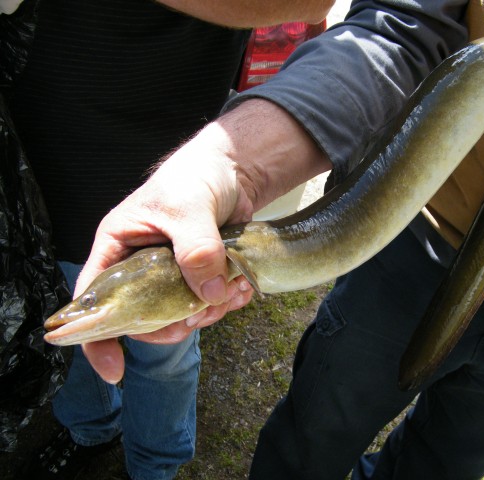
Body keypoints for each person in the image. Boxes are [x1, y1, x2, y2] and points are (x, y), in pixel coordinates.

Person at [62, 0, 484, 478]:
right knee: (310, 440)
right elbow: (400, 27)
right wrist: (232, 164)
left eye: (90, 302)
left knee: (440, 467)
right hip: (413, 250)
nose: (82, 311)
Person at [8, 0, 334, 479]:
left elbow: (310, 4)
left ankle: (155, 466)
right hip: (41, 165)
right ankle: (91, 431)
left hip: (172, 164)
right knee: (69, 320)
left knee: (167, 348)